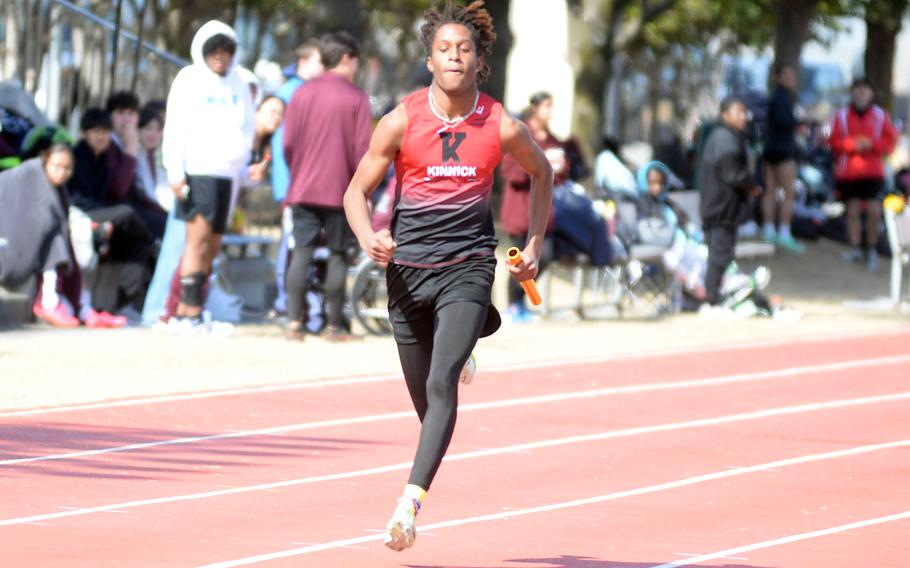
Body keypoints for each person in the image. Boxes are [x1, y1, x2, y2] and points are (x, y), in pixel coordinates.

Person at [343, 0, 553, 551]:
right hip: (407, 272)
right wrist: (369, 236)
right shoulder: (400, 120)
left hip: (468, 266)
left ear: (478, 59)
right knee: (427, 404)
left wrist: (532, 243)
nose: (454, 56)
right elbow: (355, 193)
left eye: (464, 48)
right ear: (430, 60)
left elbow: (542, 173)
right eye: (444, 49)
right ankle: (458, 352)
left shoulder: (501, 123)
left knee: (442, 385)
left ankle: (406, 509)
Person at [161, 20, 255, 331]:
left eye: (226, 51)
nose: (220, 57)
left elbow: (247, 128)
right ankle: (185, 312)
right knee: (196, 241)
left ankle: (197, 307)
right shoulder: (189, 79)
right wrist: (174, 170)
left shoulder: (239, 83)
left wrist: (242, 171)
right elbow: (173, 127)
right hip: (197, 171)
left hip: (227, 176)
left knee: (213, 245)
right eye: (214, 50)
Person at [282, 31, 371, 341]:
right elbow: (364, 152)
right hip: (341, 191)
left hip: (303, 187)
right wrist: (364, 193)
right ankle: (334, 325)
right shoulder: (356, 97)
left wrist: (300, 170)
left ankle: (294, 323)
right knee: (337, 254)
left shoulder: (302, 93)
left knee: (301, 252)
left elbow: (288, 142)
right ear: (346, 59)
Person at [270, 40, 323, 319]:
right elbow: (282, 147)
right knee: (291, 246)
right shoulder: (291, 94)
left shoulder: (300, 92)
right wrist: (286, 187)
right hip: (293, 185)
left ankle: (292, 301)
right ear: (303, 62)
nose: (322, 67)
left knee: (294, 245)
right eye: (318, 61)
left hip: (297, 184)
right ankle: (284, 301)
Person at [499, 92, 561, 323]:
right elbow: (509, 172)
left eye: (552, 106)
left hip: (542, 214)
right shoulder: (519, 134)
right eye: (546, 106)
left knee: (547, 253)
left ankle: (522, 300)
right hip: (519, 211)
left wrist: (556, 169)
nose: (550, 112)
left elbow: (554, 176)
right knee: (516, 258)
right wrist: (536, 166)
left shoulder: (553, 139)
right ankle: (514, 305)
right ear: (534, 108)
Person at [698, 95, 761, 313]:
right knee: (719, 255)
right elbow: (732, 173)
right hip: (720, 207)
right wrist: (751, 185)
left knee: (720, 254)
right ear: (725, 114)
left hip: (720, 206)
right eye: (739, 112)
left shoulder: (727, 136)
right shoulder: (724, 138)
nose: (744, 117)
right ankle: (711, 300)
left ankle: (714, 296)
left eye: (745, 112)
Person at [828, 77, 898, 271]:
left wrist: (872, 144)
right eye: (857, 89)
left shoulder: (881, 115)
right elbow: (833, 141)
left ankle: (872, 248)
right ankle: (855, 247)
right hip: (848, 172)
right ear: (852, 92)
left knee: (875, 210)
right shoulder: (841, 115)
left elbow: (890, 142)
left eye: (865, 89)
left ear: (871, 93)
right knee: (852, 210)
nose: (860, 93)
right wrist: (851, 144)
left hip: (873, 172)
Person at [761, 63, 803, 253]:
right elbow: (784, 121)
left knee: (770, 190)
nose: (790, 79)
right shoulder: (781, 98)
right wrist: (799, 122)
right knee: (788, 192)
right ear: (778, 77)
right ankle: (784, 231)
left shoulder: (776, 97)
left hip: (770, 149)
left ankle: (769, 228)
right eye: (786, 75)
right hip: (782, 151)